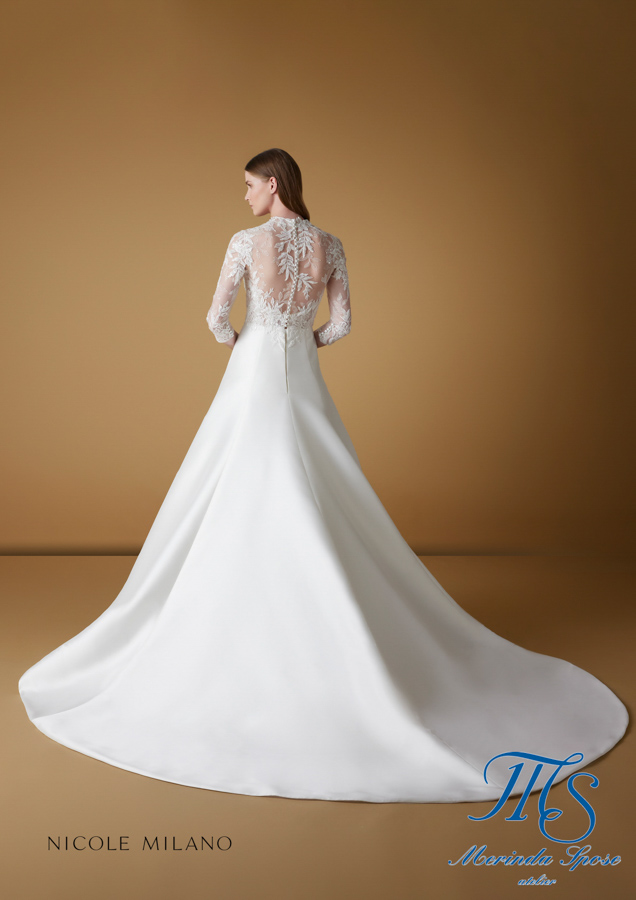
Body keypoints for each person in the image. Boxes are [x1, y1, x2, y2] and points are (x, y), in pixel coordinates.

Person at [18, 149, 628, 803]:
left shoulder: (245, 242)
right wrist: (301, 343)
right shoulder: (329, 244)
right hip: (302, 374)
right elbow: (341, 323)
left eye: (249, 185)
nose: (245, 196)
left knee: (237, 478)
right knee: (317, 478)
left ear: (272, 184)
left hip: (254, 369)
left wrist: (244, 343)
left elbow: (216, 318)